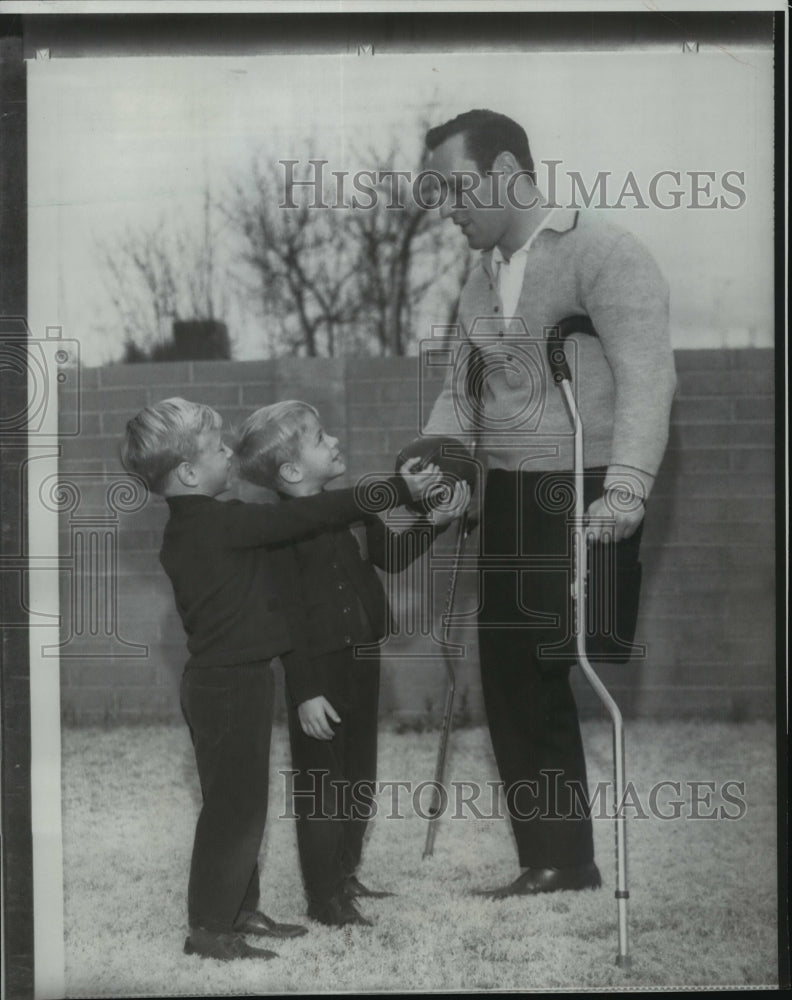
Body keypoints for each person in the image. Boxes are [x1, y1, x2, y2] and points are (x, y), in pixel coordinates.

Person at [421, 110, 677, 897]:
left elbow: (647, 376)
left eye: (459, 188)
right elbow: (460, 393)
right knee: (509, 672)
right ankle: (556, 859)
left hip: (589, 485)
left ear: (505, 171)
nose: (449, 208)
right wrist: (441, 467)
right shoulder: (478, 277)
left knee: (552, 660)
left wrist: (630, 483)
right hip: (511, 492)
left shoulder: (603, 251)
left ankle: (566, 858)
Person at [120, 397, 438, 959]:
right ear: (190, 473)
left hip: (238, 679)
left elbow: (305, 523)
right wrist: (394, 489)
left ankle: (239, 911)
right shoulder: (216, 524)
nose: (229, 456)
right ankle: (209, 929)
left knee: (245, 804)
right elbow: (302, 516)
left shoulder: (210, 523)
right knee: (233, 810)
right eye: (219, 449)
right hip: (225, 685)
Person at [234, 401, 470, 927]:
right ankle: (324, 899)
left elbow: (389, 556)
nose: (335, 441)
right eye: (320, 438)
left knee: (360, 777)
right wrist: (304, 690)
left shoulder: (349, 508)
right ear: (292, 472)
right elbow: (287, 618)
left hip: (363, 661)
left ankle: (344, 873)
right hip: (317, 674)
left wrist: (435, 521)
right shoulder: (279, 531)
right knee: (322, 786)